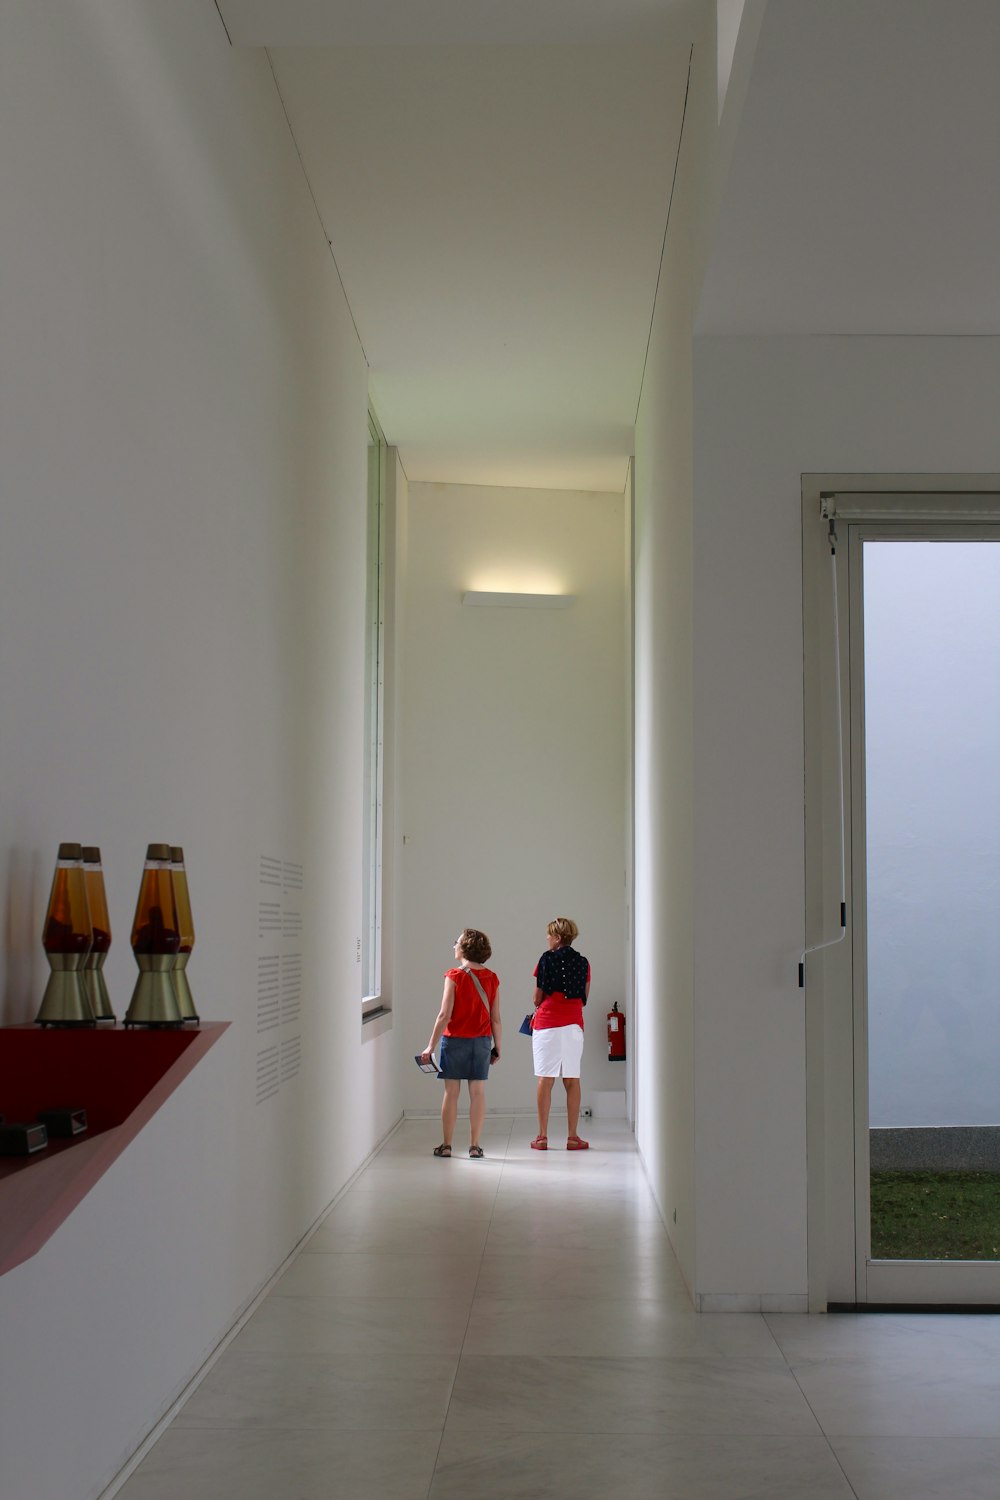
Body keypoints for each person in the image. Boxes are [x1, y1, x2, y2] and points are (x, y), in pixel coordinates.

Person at [419, 928, 501, 1159]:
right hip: (482, 1041)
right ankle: (475, 1146)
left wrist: (430, 1046)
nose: (453, 945)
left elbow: (444, 1015)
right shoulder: (492, 978)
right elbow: (496, 1017)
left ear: (465, 948)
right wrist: (498, 1047)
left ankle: (446, 1146)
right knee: (477, 1094)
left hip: (454, 1041)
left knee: (451, 1093)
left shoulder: (454, 976)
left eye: (456, 942)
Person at [530, 917, 590, 1151]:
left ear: (557, 937)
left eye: (549, 935)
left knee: (545, 1079)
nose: (547, 938)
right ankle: (573, 1137)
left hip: (547, 1025)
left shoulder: (546, 959)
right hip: (573, 1025)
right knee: (572, 1080)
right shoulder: (583, 962)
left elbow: (537, 997)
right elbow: (584, 996)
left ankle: (542, 1137)